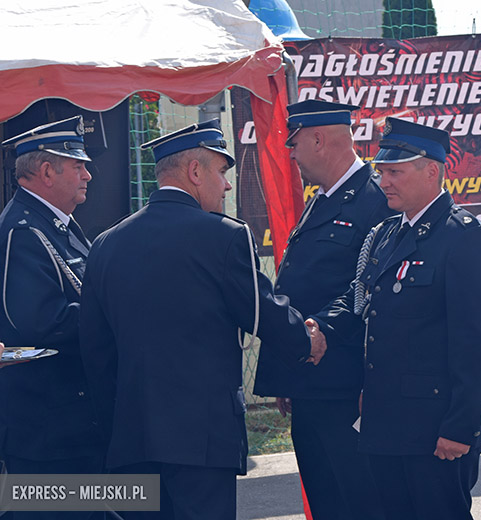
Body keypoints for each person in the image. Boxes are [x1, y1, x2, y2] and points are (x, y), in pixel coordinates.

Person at [79, 119, 326, 520]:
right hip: (203, 440)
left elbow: (95, 350)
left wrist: (116, 425)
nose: (227, 185)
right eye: (221, 171)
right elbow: (262, 311)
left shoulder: (106, 244)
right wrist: (308, 339)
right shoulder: (223, 235)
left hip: (131, 438)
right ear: (195, 172)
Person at [312, 118, 481, 520]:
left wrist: (460, 426)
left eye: (396, 172)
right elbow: (361, 299)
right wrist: (319, 326)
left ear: (432, 170)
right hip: (385, 424)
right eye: (382, 171)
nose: (385, 182)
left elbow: (477, 342)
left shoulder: (465, 237)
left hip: (435, 430)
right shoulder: (386, 234)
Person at [253, 100, 391, 520]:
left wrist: (322, 330)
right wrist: (288, 366)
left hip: (346, 385)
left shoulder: (375, 198)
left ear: (318, 139)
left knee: (358, 501)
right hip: (309, 380)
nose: (290, 155)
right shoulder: (323, 199)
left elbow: (370, 285)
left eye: (294, 144)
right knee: (325, 499)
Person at [0, 116, 102, 519]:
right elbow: (41, 322)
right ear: (46, 171)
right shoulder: (21, 231)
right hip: (47, 430)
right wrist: (117, 314)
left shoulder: (58, 223)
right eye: (77, 165)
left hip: (72, 424)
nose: (88, 175)